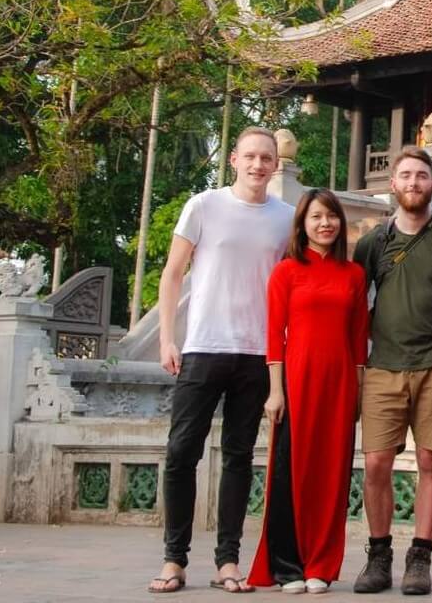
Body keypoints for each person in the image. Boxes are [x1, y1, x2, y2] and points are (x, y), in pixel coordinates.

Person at [148, 126, 295, 595]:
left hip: (258, 353)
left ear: (276, 165)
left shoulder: (287, 217)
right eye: (250, 157)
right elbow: (173, 274)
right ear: (234, 159)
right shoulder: (203, 205)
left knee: (238, 457)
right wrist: (168, 338)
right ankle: (174, 560)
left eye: (266, 158)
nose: (258, 165)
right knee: (180, 453)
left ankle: (228, 560)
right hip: (203, 347)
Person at [352, 147, 432, 596]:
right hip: (383, 367)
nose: (413, 183)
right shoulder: (374, 241)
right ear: (393, 184)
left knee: (431, 460)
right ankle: (379, 553)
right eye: (405, 175)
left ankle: (420, 556)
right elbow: (351, 298)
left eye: (421, 176)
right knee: (375, 464)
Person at [248, 189, 370, 594]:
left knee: (332, 473)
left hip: (339, 382)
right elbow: (274, 337)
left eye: (331, 216)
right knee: (291, 471)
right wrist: (275, 392)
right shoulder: (287, 271)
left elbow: (358, 339)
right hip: (297, 381)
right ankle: (288, 565)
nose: (325, 224)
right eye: (316, 217)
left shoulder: (353, 275)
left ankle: (322, 562)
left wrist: (358, 390)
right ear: (302, 224)